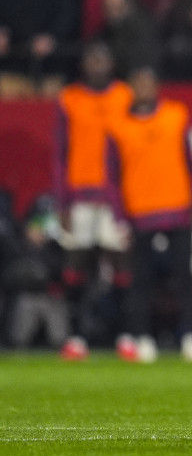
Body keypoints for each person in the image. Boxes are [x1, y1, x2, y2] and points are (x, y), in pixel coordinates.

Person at [109, 66, 192, 362]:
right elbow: (111, 176)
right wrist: (118, 215)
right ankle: (142, 338)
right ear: (130, 87)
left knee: (184, 278)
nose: (143, 88)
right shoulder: (117, 126)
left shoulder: (176, 115)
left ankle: (191, 337)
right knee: (141, 281)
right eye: (137, 83)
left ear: (157, 87)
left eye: (148, 82)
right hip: (139, 212)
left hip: (177, 208)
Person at [53, 41, 136, 361]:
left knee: (120, 264)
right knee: (77, 265)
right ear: (84, 64)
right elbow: (60, 153)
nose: (97, 65)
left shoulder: (124, 96)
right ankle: (76, 337)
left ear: (111, 63)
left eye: (102, 58)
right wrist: (62, 202)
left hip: (115, 196)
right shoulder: (70, 99)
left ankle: (124, 336)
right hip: (81, 195)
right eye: (92, 59)